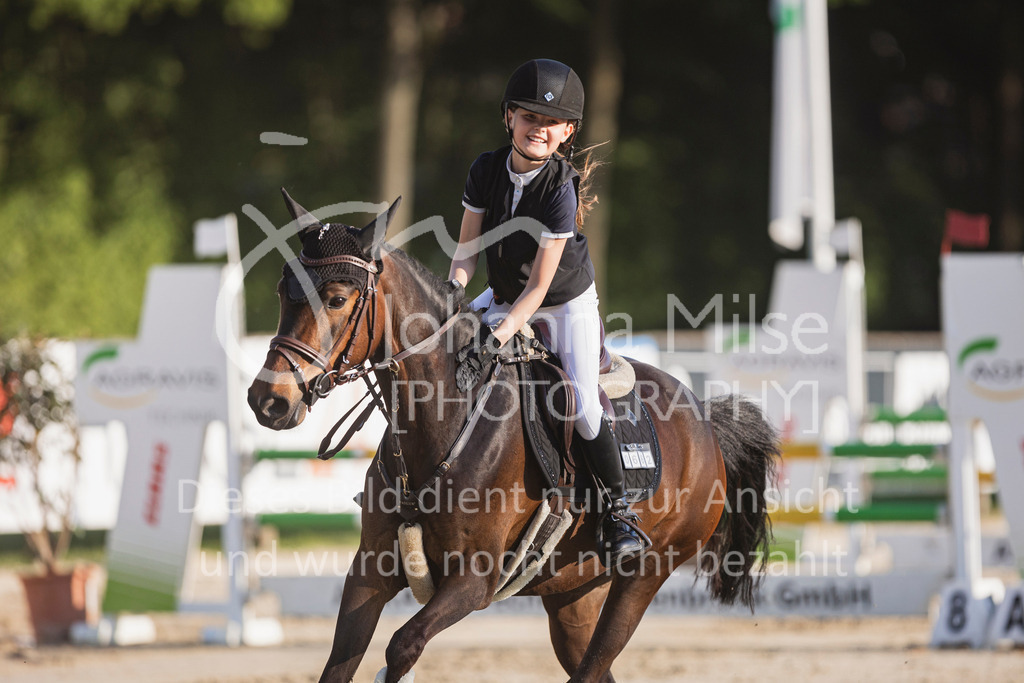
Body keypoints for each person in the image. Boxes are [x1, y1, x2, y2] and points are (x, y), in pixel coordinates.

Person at [447, 58, 644, 563]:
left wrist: (496, 336)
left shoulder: (559, 187)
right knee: (439, 358)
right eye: (530, 116)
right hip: (504, 295)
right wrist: (451, 299)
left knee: (581, 400)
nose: (539, 127)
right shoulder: (484, 170)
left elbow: (539, 287)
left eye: (550, 122)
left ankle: (619, 512)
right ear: (508, 116)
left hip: (561, 304)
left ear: (568, 132)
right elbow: (466, 253)